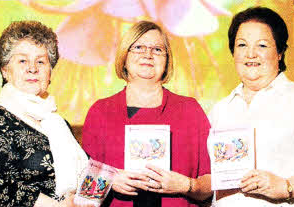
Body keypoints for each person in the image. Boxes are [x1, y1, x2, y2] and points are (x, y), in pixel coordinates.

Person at [82, 21, 212, 207]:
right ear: (124, 56)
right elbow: (85, 191)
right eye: (138, 47)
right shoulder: (100, 112)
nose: (148, 54)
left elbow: (212, 184)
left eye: (157, 49)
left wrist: (187, 185)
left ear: (167, 60)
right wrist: (109, 180)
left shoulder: (190, 110)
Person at [0, 21, 92, 207]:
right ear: (5, 71)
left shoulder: (58, 123)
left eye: (41, 61)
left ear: (50, 73)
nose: (33, 68)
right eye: (22, 60)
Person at [208, 7, 294, 206]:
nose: (251, 54)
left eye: (262, 45)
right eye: (242, 45)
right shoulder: (219, 110)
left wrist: (286, 187)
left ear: (280, 52)